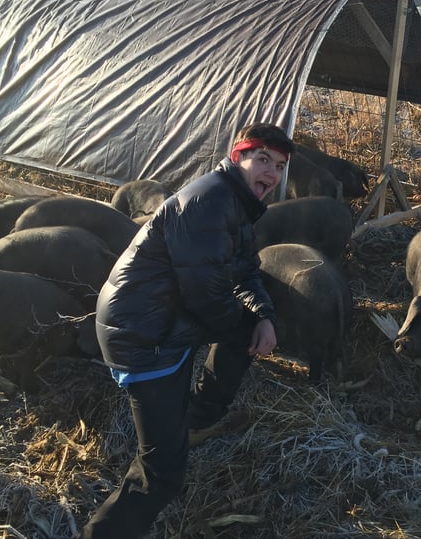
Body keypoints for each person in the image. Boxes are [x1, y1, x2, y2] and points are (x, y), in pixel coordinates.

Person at [82, 123, 294, 538]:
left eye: (280, 166)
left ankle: (195, 417)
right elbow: (208, 298)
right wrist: (251, 326)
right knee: (162, 475)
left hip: (165, 322)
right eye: (263, 159)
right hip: (144, 335)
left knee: (246, 330)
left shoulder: (236, 203)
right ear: (239, 158)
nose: (271, 173)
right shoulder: (210, 202)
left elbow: (247, 271)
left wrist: (264, 315)